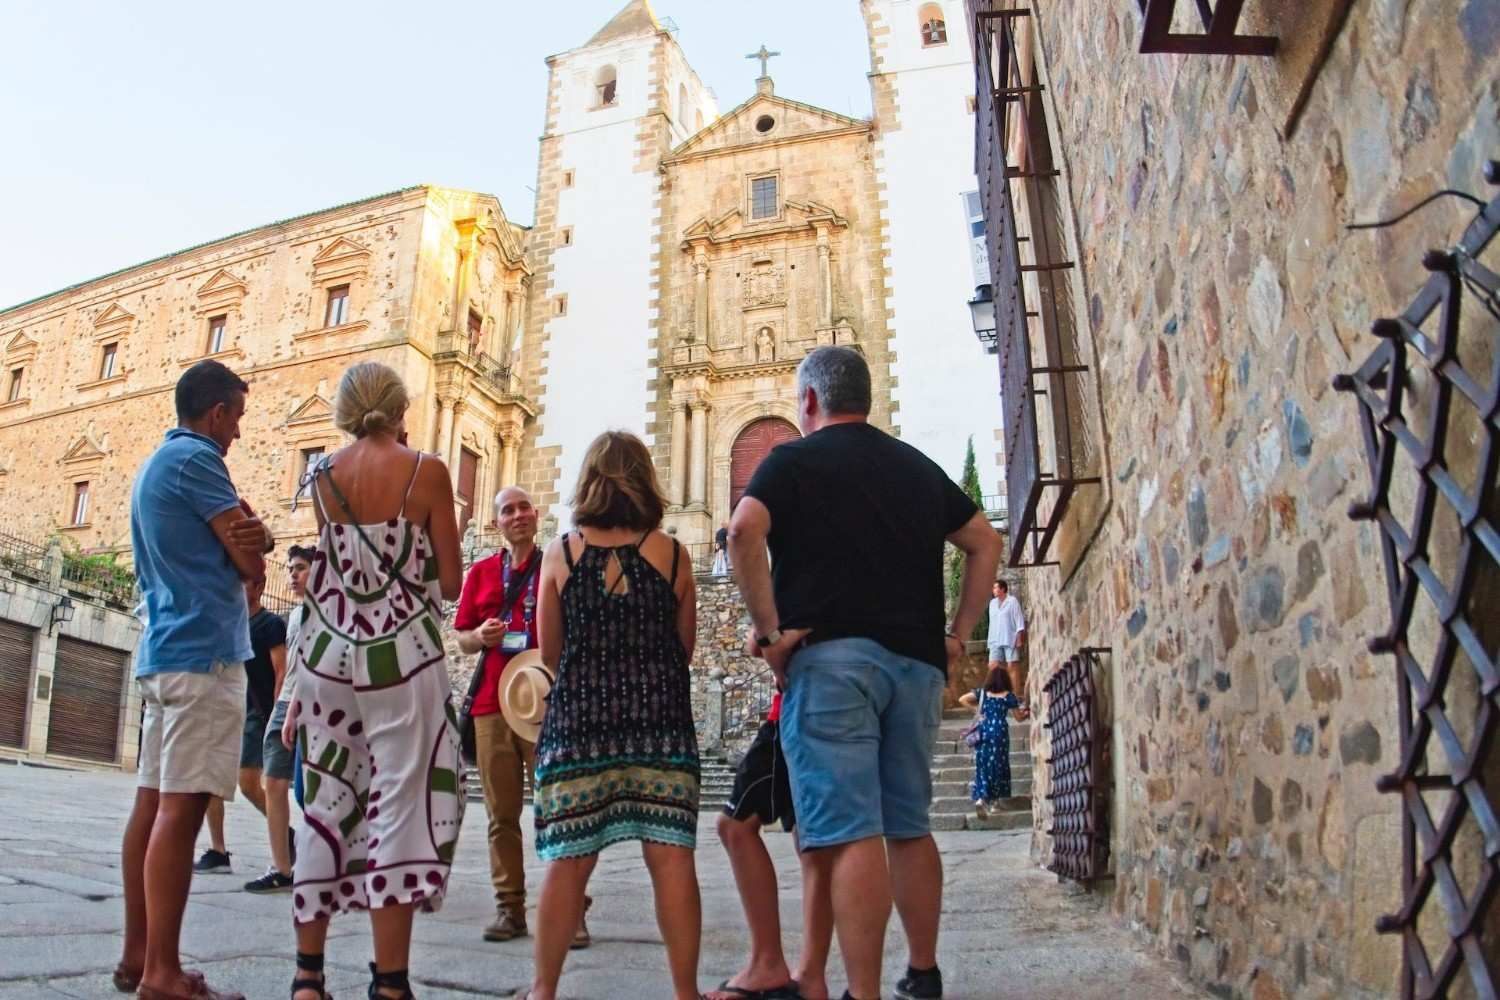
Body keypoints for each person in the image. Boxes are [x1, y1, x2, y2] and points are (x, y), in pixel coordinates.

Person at [728, 345, 1003, 1000]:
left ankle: (861, 992)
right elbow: (985, 542)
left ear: (811, 401)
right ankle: (923, 974)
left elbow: (742, 532)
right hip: (915, 666)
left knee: (852, 832)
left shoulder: (791, 459)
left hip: (832, 666)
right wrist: (957, 636)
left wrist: (768, 634)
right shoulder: (914, 466)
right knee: (909, 825)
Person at [280, 362, 464, 1000]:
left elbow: (328, 575)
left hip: (329, 655)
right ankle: (389, 983)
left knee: (324, 800)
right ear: (401, 405)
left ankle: (308, 976)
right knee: (401, 803)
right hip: (402, 656)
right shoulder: (427, 472)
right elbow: (452, 582)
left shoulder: (322, 476)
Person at [526, 431, 702, 1000]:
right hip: (660, 725)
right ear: (645, 479)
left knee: (569, 862)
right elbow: (684, 649)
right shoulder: (674, 555)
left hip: (580, 724)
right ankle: (685, 993)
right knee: (672, 859)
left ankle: (544, 991)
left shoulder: (561, 552)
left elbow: (548, 653)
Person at [119, 359, 272, 1000]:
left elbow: (245, 540)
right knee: (180, 812)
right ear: (216, 413)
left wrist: (251, 538)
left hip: (164, 651)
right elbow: (246, 556)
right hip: (204, 655)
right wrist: (254, 543)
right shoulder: (199, 460)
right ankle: (162, 973)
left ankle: (137, 956)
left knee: (152, 803)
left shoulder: (156, 464)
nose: (237, 432)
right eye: (236, 417)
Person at [454, 485, 590, 947]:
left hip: (547, 704)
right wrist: (481, 635)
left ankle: (571, 910)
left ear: (536, 515)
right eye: (506, 510)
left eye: (523, 507)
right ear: (496, 523)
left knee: (558, 809)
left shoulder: (556, 563)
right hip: (492, 705)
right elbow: (462, 639)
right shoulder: (480, 574)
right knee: (501, 814)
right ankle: (509, 907)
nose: (517, 516)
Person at [708, 688, 834, 1000]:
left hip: (794, 708)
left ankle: (767, 963)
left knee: (735, 826)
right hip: (833, 708)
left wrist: (765, 642)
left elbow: (772, 643)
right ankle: (810, 978)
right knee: (813, 845)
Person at [196, 576, 283, 878]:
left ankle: (288, 839)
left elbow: (280, 671)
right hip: (228, 709)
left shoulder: (269, 624)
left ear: (259, 587)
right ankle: (219, 852)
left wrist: (275, 716)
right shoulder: (230, 625)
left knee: (248, 785)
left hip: (258, 714)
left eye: (243, 584)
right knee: (210, 780)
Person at [247, 546, 314, 893]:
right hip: (285, 705)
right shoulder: (294, 615)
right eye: (290, 569)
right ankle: (282, 868)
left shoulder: (329, 615)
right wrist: (279, 707)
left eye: (300, 568)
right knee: (271, 784)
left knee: (308, 794)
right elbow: (288, 670)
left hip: (313, 708)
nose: (292, 575)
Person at [958, 667, 1022, 818]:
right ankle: (995, 803)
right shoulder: (1008, 697)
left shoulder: (982, 694)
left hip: (984, 732)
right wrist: (1027, 713)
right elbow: (1018, 718)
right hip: (1000, 733)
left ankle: (981, 798)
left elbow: (962, 699)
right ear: (1005, 680)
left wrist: (978, 712)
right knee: (999, 765)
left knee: (984, 765)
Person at [986, 579, 1028, 717]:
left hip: (1009, 638)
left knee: (1012, 667)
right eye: (993, 588)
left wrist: (1019, 637)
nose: (993, 590)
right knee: (994, 667)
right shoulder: (992, 604)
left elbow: (1019, 620)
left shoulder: (1012, 601)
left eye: (996, 587)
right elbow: (992, 622)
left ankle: (1015, 699)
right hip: (995, 639)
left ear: (1003, 589)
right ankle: (996, 697)